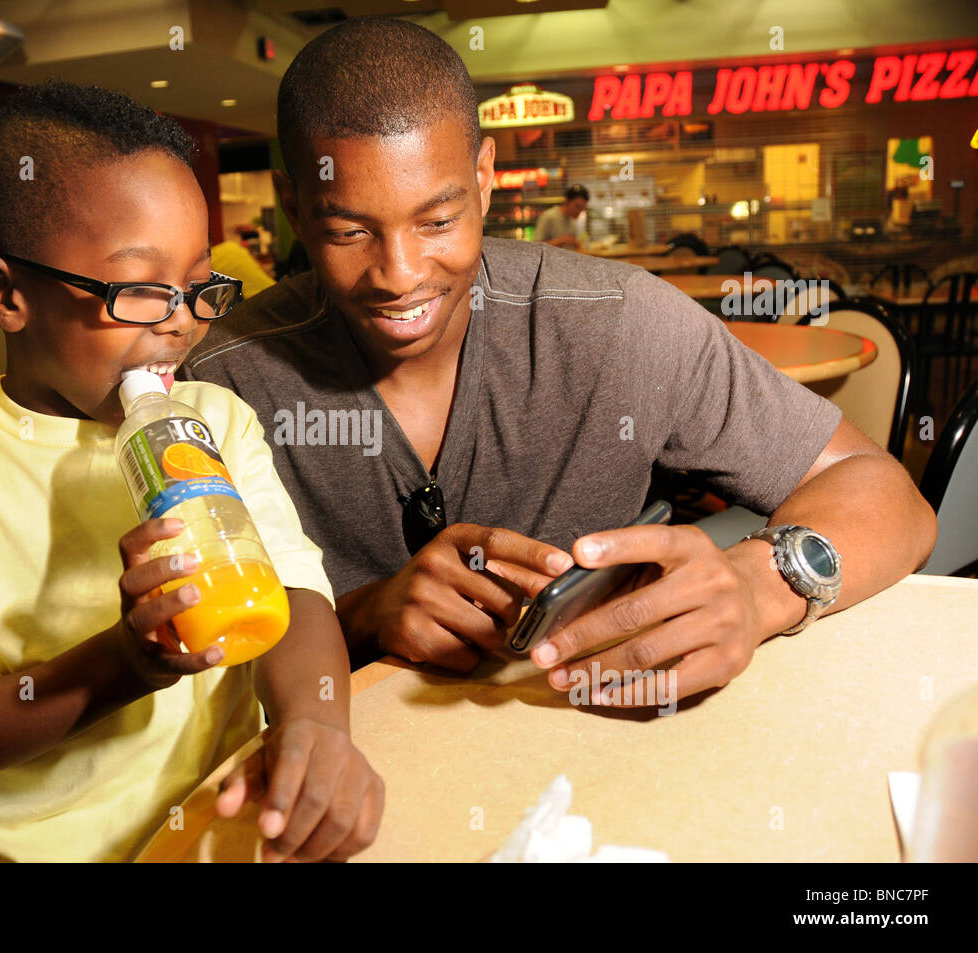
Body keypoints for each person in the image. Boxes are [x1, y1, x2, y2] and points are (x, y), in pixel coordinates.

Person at [181, 19, 937, 706]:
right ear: (291, 205)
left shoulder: (620, 323)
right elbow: (184, 665)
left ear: (483, 179)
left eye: (438, 220)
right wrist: (364, 616)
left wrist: (760, 583)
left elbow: (888, 497)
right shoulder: (221, 380)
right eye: (349, 231)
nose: (401, 273)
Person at [0, 81, 382, 863]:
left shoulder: (216, 422)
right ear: (6, 292)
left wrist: (317, 728)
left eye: (198, 288)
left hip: (220, 833)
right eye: (139, 290)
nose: (180, 321)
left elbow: (294, 593)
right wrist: (123, 663)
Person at [535, 184, 588, 248]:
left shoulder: (572, 221)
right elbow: (537, 247)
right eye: (577, 206)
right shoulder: (548, 216)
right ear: (567, 201)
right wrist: (561, 241)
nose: (579, 211)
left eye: (583, 208)